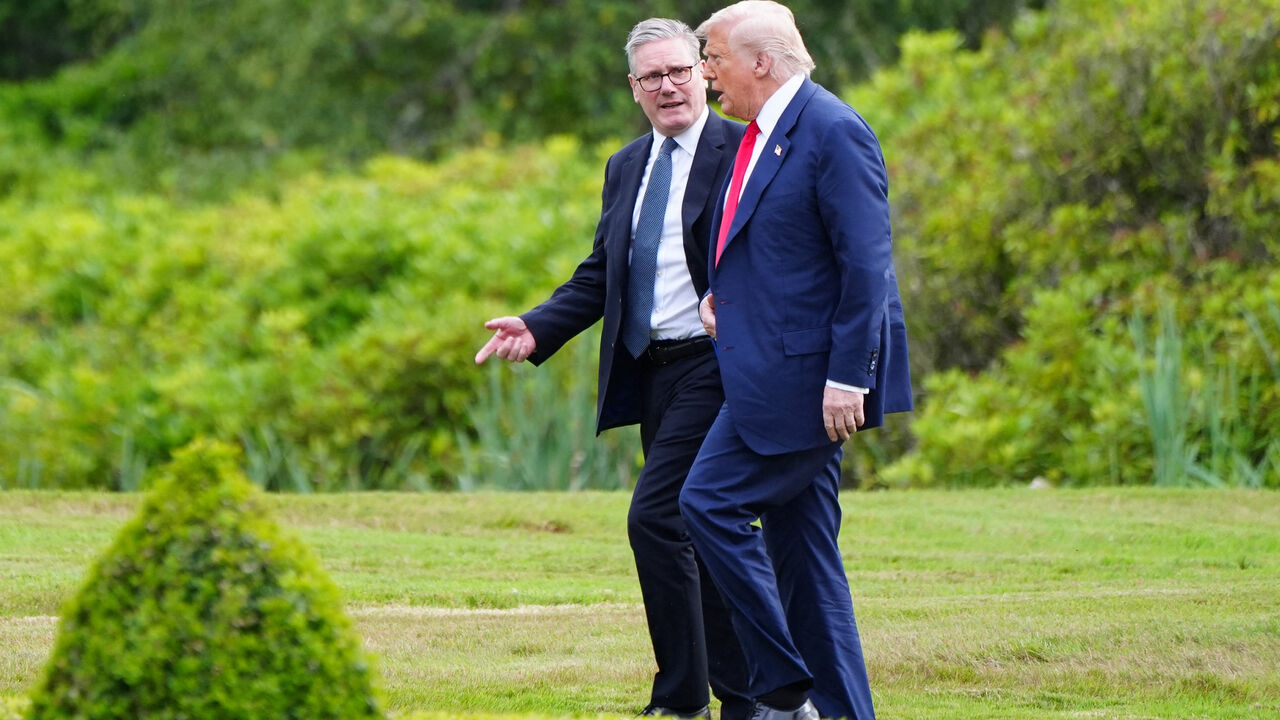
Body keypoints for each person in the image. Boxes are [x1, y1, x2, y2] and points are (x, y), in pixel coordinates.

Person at [474, 17, 752, 720]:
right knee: (697, 525)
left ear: (703, 71)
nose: (668, 86)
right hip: (651, 372)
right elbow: (602, 274)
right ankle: (741, 698)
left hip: (718, 367)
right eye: (651, 77)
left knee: (657, 517)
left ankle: (685, 699)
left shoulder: (741, 150)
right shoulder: (627, 165)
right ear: (634, 88)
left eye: (679, 70)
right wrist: (536, 326)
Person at [677, 3, 913, 720]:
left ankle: (783, 687)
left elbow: (865, 264)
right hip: (767, 372)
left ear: (760, 61)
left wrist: (849, 376)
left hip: (809, 386)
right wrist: (723, 294)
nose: (705, 74)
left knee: (706, 504)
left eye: (711, 57)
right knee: (808, 568)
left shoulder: (834, 129)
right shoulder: (760, 135)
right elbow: (778, 248)